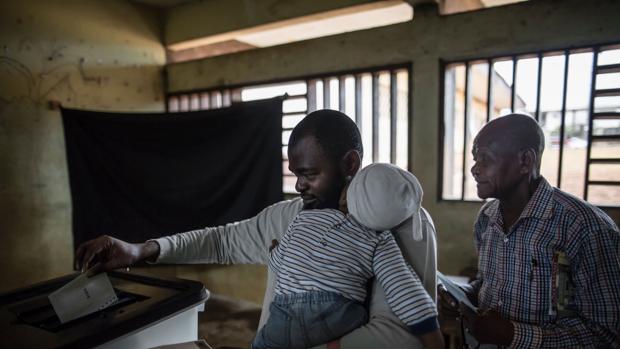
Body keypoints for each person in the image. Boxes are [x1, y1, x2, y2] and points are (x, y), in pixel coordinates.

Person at [76, 109, 439, 349]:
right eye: (296, 175)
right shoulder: (290, 215)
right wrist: (142, 250)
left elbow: (402, 336)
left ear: (350, 163)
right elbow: (222, 241)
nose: (299, 186)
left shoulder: (400, 228)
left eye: (309, 174)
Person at [440, 113, 620, 348]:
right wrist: (460, 295)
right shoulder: (486, 219)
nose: (474, 169)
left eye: (485, 159)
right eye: (475, 159)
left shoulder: (584, 227)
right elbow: (488, 286)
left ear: (525, 160)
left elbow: (606, 334)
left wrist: (513, 334)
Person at [253, 163, 443, 349]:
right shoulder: (380, 238)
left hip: (285, 314)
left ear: (346, 197)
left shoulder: (306, 217)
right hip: (338, 315)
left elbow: (279, 262)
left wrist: (274, 252)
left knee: (261, 344)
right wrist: (432, 335)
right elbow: (403, 288)